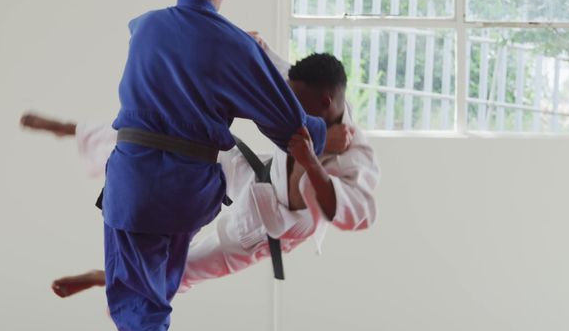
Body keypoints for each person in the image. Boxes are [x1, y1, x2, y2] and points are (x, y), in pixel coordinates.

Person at [97, 0, 328, 331]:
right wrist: (322, 125)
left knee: (138, 299)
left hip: (135, 181)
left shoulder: (146, 26)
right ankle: (140, 329)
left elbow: (154, 42)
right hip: (191, 193)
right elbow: (290, 127)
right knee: (155, 285)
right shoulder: (236, 47)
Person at [22, 50, 379, 304]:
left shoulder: (356, 155)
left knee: (186, 269)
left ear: (327, 102)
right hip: (258, 168)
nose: (293, 112)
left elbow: (354, 215)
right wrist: (247, 44)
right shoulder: (308, 94)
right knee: (171, 137)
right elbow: (270, 64)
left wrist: (312, 158)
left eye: (301, 107)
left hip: (272, 224)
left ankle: (110, 282)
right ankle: (73, 130)